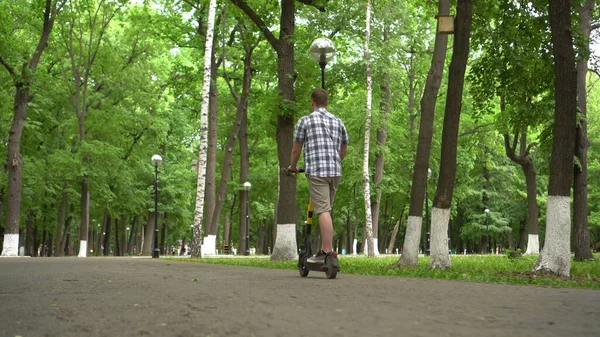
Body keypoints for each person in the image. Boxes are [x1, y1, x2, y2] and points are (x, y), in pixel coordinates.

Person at [289, 88, 349, 263]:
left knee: (322, 211)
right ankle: (326, 249)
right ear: (327, 102)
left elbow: (296, 149)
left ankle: (327, 251)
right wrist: (336, 161)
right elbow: (344, 148)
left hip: (317, 171)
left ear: (312, 101)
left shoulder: (305, 121)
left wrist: (293, 167)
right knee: (327, 210)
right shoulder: (338, 121)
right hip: (335, 171)